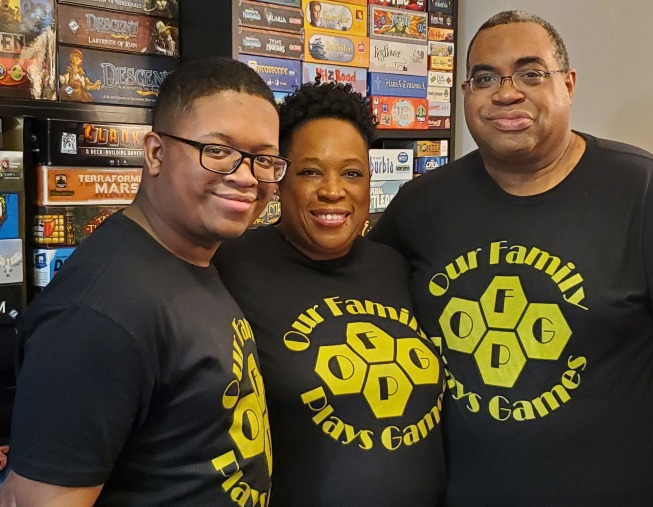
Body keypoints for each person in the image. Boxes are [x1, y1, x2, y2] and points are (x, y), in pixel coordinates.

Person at [369, 10, 653, 507]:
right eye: (484, 77)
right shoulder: (422, 206)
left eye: (531, 73)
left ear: (568, 85)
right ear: (464, 92)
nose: (506, 92)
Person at [0, 57, 287, 506]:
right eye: (217, 151)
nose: (247, 176)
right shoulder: (99, 310)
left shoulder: (190, 260)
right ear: (155, 153)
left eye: (264, 159)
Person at [214, 81, 446, 506]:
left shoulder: (393, 267)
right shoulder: (231, 267)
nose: (333, 191)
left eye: (351, 173)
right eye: (311, 171)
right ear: (280, 180)